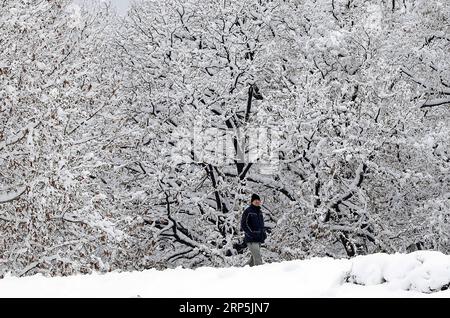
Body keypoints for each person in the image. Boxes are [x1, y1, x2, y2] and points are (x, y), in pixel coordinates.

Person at [241, 194, 266, 267]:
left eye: (258, 200)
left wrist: (263, 233)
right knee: (258, 258)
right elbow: (243, 225)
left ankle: (241, 271)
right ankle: (260, 274)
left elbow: (261, 225)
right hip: (251, 239)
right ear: (252, 201)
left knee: (252, 260)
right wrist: (251, 234)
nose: (257, 201)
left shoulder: (260, 212)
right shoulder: (248, 211)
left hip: (259, 238)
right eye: (255, 200)